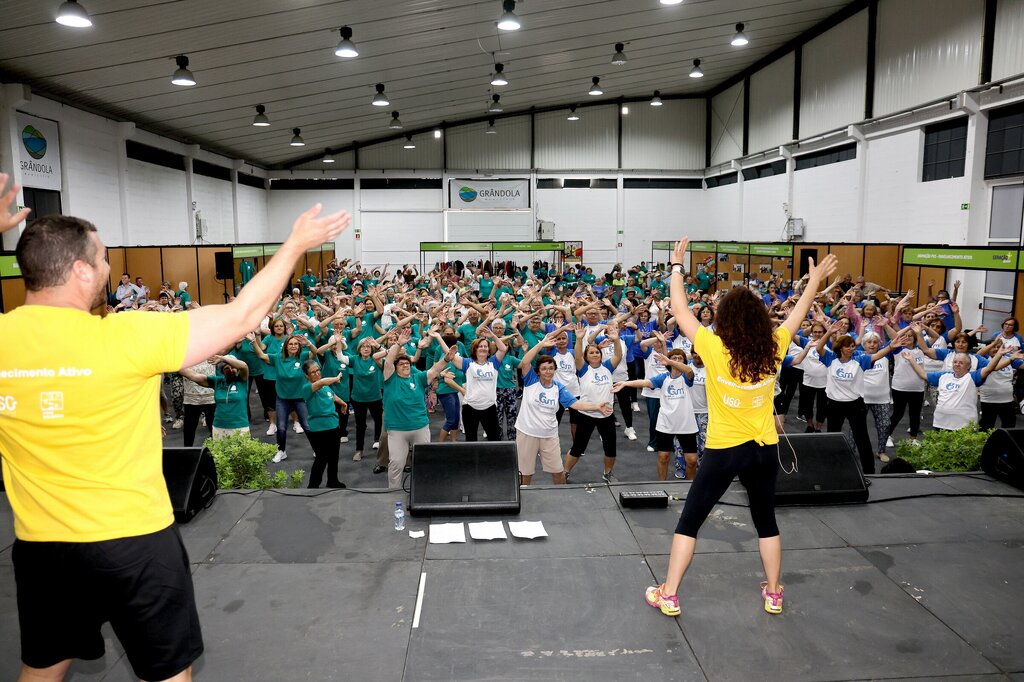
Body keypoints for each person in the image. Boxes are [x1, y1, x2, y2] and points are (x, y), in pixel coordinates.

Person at [0, 185, 348, 682]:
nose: (108, 269)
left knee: (41, 670)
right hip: (134, 541)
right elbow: (242, 315)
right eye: (102, 259)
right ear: (80, 271)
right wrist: (293, 245)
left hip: (42, 547)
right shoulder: (127, 335)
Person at [644, 237, 837, 620]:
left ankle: (669, 593)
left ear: (725, 319)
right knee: (766, 522)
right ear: (760, 320)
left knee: (689, 522)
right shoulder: (775, 345)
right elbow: (799, 313)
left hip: (724, 449)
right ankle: (774, 593)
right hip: (763, 449)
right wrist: (814, 282)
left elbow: (680, 309)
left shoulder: (713, 347)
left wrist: (677, 267)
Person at [516, 330, 612, 485]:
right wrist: (541, 344)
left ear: (555, 370)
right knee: (525, 474)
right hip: (527, 433)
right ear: (538, 371)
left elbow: (576, 404)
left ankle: (562, 496)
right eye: (544, 368)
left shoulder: (558, 387)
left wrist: (596, 406)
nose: (548, 371)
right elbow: (525, 362)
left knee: (558, 472)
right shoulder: (531, 381)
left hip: (549, 435)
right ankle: (524, 496)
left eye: (551, 368)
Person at [382, 337, 454, 489]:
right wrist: (398, 344)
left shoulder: (418, 378)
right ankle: (393, 492)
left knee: (424, 460)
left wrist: (446, 359)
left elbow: (434, 370)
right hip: (397, 429)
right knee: (396, 463)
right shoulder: (390, 379)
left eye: (407, 363)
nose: (405, 365)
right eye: (401, 364)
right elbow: (388, 362)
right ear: (395, 367)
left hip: (419, 427)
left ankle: (424, 491)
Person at [300, 360, 349, 489]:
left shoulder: (326, 388)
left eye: (318, 370)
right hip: (319, 429)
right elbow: (321, 382)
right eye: (313, 372)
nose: (317, 373)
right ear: (306, 375)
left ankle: (333, 481)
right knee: (321, 458)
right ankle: (313, 485)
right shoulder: (307, 388)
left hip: (333, 426)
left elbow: (332, 396)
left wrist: (343, 403)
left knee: (334, 456)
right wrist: (336, 378)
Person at [178, 354, 252, 439]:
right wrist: (175, 366)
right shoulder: (217, 382)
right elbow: (194, 376)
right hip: (219, 427)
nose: (231, 370)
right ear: (222, 371)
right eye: (227, 368)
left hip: (240, 427)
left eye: (233, 367)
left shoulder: (242, 381)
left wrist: (222, 358)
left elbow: (244, 366)